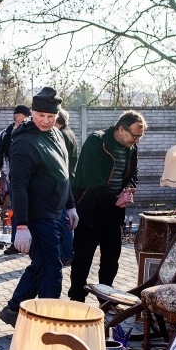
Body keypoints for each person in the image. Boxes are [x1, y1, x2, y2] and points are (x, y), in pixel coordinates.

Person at [0, 88, 77, 326]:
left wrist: (71, 206)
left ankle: (13, 310)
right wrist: (21, 225)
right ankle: (47, 322)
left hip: (58, 213)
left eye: (51, 116)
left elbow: (64, 175)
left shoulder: (58, 135)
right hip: (38, 216)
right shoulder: (24, 142)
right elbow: (18, 185)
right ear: (32, 112)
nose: (45, 120)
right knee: (53, 269)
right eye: (40, 114)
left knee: (41, 265)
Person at [68, 110, 143, 303]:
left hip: (114, 211)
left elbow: (133, 174)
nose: (137, 140)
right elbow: (92, 179)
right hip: (90, 208)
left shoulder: (131, 148)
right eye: (134, 135)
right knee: (83, 258)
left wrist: (128, 189)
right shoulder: (97, 141)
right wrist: (114, 199)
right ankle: (77, 300)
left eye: (140, 136)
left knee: (111, 258)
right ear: (121, 129)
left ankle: (106, 299)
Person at [0, 105, 30, 255]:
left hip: (33, 178)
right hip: (14, 179)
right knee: (16, 210)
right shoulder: (6, 134)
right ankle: (16, 243)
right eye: (21, 115)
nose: (24, 119)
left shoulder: (31, 132)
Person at [56, 108, 78, 266]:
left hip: (64, 181)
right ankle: (67, 252)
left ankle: (67, 254)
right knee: (66, 219)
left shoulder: (62, 135)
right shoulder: (69, 132)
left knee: (64, 220)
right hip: (69, 178)